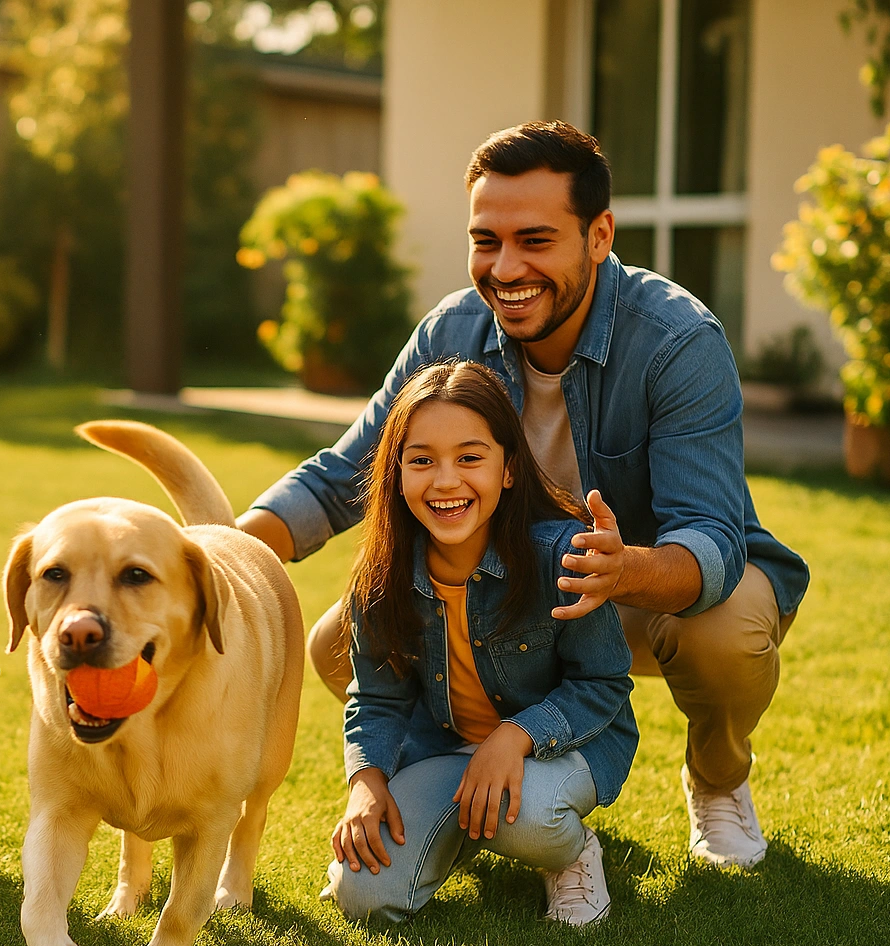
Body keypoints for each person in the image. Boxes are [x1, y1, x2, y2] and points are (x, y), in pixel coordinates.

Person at [240, 121, 809, 870]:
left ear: (599, 234)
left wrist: (623, 570)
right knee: (337, 641)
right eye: (487, 240)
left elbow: (711, 537)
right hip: (507, 591)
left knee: (724, 632)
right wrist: (222, 553)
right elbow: (346, 475)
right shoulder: (451, 330)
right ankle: (481, 782)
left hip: (641, 587)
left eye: (536, 241)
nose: (506, 268)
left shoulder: (676, 339)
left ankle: (718, 781)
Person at [325, 360, 636, 926]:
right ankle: (460, 829)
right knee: (363, 897)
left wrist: (515, 738)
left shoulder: (561, 557)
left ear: (509, 469)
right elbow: (376, 697)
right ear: (395, 473)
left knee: (527, 817)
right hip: (448, 751)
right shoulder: (380, 579)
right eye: (422, 461)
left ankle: (570, 853)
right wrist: (366, 782)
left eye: (470, 458)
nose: (445, 481)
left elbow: (604, 681)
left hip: (565, 746)